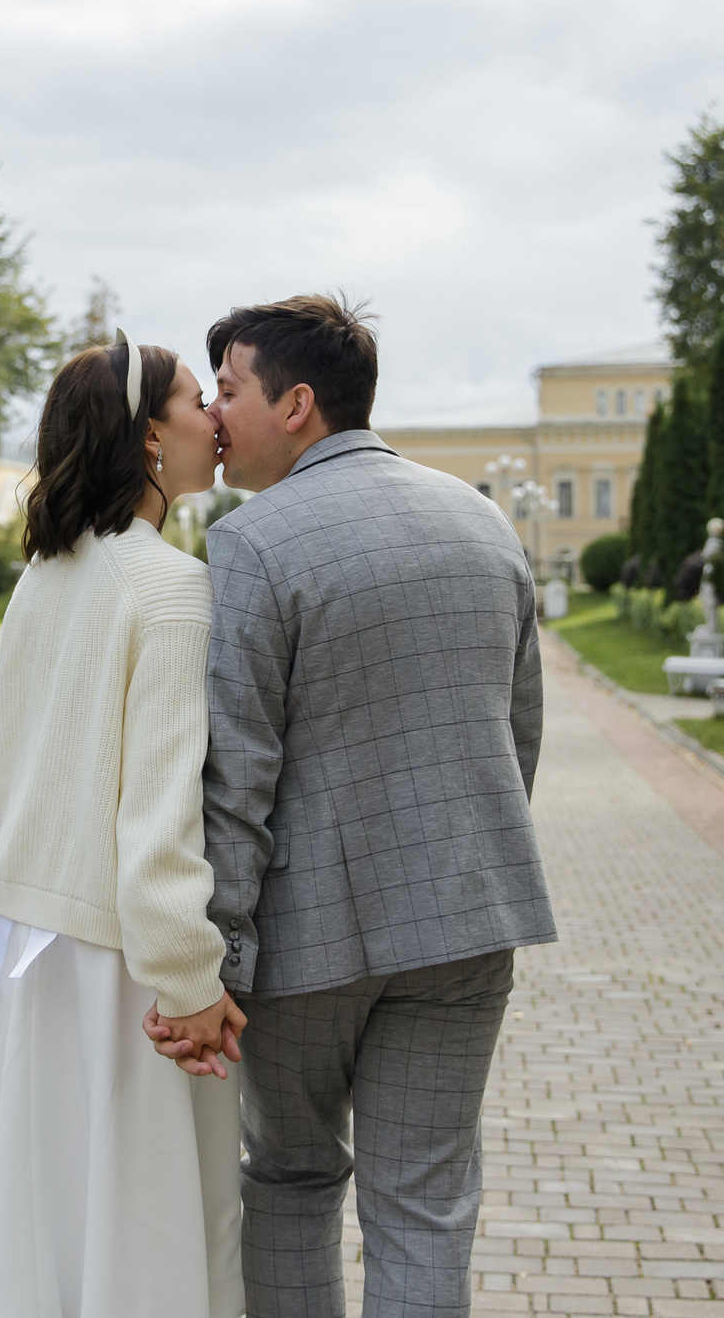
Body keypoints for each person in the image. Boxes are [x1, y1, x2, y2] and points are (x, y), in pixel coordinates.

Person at [149, 293, 555, 1316]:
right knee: (424, 1201)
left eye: (229, 390)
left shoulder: (253, 543)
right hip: (466, 927)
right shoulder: (483, 521)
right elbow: (520, 732)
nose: (214, 412)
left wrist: (219, 964)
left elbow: (235, 775)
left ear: (295, 405)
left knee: (289, 1180)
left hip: (305, 949)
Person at [0, 330, 247, 1318]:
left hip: (23, 949)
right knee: (152, 1235)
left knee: (49, 1227)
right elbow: (160, 818)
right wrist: (191, 982)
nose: (214, 420)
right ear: (144, 440)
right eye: (192, 404)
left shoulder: (44, 577)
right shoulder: (172, 592)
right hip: (121, 966)